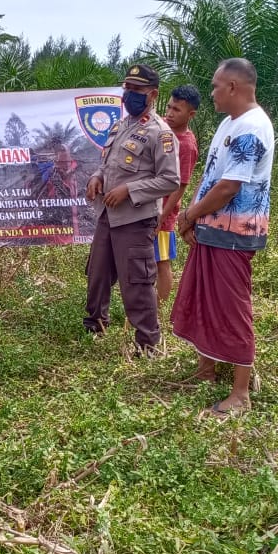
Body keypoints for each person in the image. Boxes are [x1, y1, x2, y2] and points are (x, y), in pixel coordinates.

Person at [173, 59, 275, 414]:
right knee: (206, 300)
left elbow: (229, 187)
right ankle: (206, 369)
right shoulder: (229, 123)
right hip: (214, 228)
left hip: (235, 232)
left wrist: (190, 215)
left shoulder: (252, 127)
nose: (212, 93)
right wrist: (193, 218)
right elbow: (210, 177)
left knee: (232, 308)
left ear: (233, 86)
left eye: (216, 86)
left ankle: (241, 393)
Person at [84, 64, 180, 355]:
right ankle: (95, 326)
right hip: (107, 215)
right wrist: (97, 177)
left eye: (137, 89)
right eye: (127, 87)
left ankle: (148, 342)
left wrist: (129, 190)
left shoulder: (160, 133)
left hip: (135, 219)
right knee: (97, 274)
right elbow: (108, 163)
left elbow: (170, 180)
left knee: (136, 281)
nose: (129, 94)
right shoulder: (122, 125)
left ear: (153, 94)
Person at [155, 85, 201, 303]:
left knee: (161, 261)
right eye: (169, 107)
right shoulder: (162, 129)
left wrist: (162, 217)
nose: (170, 113)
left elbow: (180, 186)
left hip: (163, 213)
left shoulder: (187, 145)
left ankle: (158, 308)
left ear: (191, 114)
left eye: (176, 110)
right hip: (148, 206)